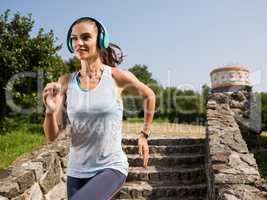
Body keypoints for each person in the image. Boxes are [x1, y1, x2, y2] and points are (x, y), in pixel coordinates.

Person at [42, 17, 156, 200]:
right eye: (74, 39)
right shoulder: (65, 81)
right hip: (76, 172)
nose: (79, 43)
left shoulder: (117, 77)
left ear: (100, 40)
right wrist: (49, 111)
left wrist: (144, 134)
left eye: (86, 37)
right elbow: (51, 136)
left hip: (110, 167)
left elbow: (149, 95)